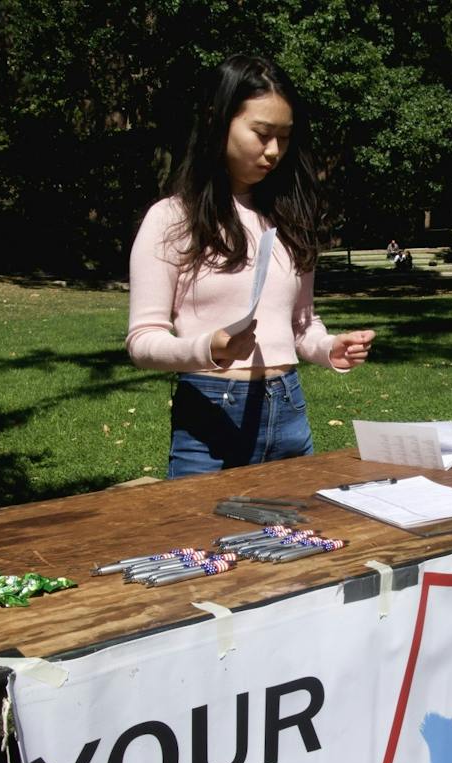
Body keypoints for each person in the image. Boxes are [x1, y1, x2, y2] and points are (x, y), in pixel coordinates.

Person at [127, 54, 375, 478]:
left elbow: (301, 324)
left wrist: (328, 347)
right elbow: (142, 340)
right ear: (216, 121)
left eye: (284, 136)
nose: (275, 150)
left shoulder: (291, 218)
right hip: (211, 412)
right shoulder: (171, 219)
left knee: (294, 539)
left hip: (288, 406)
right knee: (202, 539)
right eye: (262, 134)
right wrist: (208, 348)